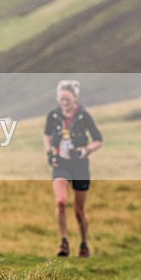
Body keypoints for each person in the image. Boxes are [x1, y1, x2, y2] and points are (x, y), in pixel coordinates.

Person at [43, 80, 103, 258]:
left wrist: (86, 150)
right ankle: (64, 242)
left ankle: (83, 243)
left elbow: (98, 139)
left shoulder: (84, 115)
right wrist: (49, 151)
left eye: (67, 99)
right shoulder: (53, 115)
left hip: (80, 165)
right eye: (61, 99)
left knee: (79, 211)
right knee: (60, 201)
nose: (64, 103)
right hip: (60, 163)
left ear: (75, 98)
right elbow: (46, 134)